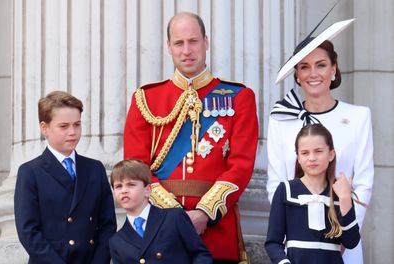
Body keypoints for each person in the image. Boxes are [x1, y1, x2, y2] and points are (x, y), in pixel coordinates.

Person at [123, 12, 258, 263]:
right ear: (169, 47)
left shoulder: (239, 97)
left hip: (216, 231)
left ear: (206, 42)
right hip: (161, 231)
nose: (187, 50)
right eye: (179, 43)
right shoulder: (145, 100)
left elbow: (240, 165)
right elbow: (135, 168)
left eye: (193, 41)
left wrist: (204, 213)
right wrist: (175, 218)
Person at [266, 18, 373, 264]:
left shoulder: (358, 117)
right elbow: (276, 183)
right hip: (297, 247)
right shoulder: (281, 119)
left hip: (343, 245)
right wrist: (293, 231)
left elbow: (364, 183)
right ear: (297, 74)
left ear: (334, 69)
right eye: (304, 67)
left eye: (321, 65)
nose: (313, 74)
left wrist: (346, 232)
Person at [14, 91, 117, 264]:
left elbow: (108, 225)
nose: (72, 132)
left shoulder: (95, 169)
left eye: (77, 125)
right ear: (44, 128)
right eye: (64, 126)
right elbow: (29, 232)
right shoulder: (30, 172)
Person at [265, 124, 360, 264]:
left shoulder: (340, 192)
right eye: (305, 153)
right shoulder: (285, 190)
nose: (312, 158)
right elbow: (273, 243)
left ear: (331, 154)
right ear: (298, 157)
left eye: (318, 151)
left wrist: (345, 198)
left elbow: (351, 242)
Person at [109, 159, 212, 264]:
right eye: (118, 186)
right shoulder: (117, 241)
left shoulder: (174, 217)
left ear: (148, 190)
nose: (124, 190)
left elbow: (200, 255)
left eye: (131, 184)